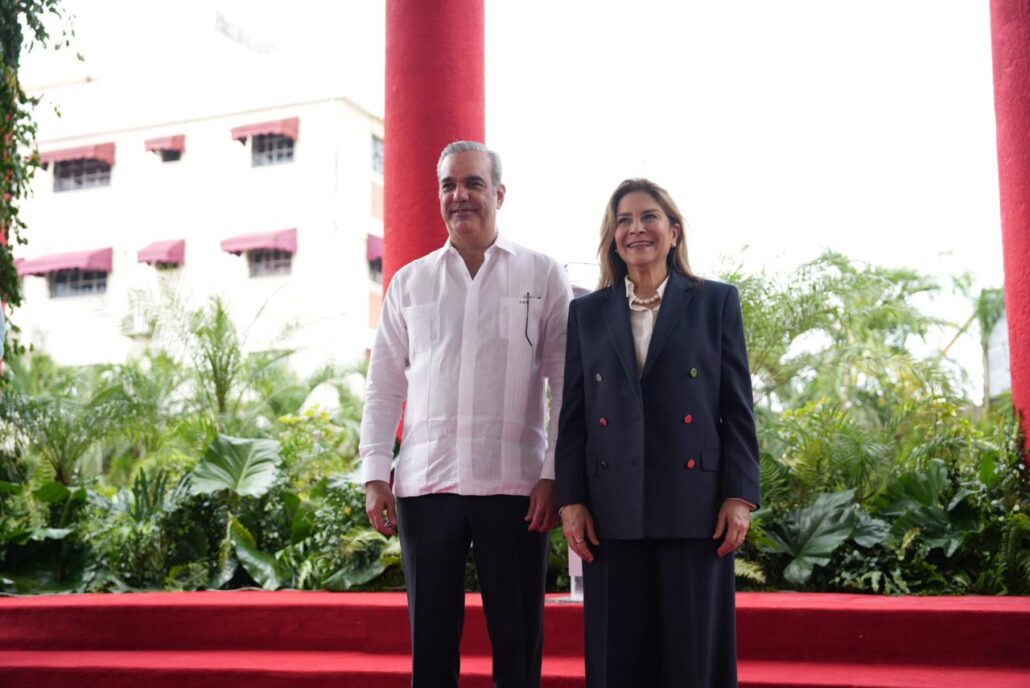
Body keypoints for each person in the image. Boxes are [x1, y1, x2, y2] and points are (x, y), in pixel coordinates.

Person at [360, 141, 572, 688]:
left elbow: (566, 386)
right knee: (431, 651)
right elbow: (383, 387)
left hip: (517, 488)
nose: (460, 196)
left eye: (473, 183)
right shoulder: (409, 282)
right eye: (448, 185)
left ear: (499, 193)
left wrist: (553, 475)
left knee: (518, 645)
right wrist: (375, 474)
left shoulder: (543, 275)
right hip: (426, 486)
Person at [555, 178, 760, 688]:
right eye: (623, 220)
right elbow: (574, 415)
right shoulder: (587, 313)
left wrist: (739, 496)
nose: (636, 229)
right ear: (613, 237)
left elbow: (736, 408)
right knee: (617, 661)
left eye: (649, 217)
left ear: (674, 231)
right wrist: (571, 500)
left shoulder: (715, 302)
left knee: (692, 662)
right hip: (611, 508)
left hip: (694, 507)